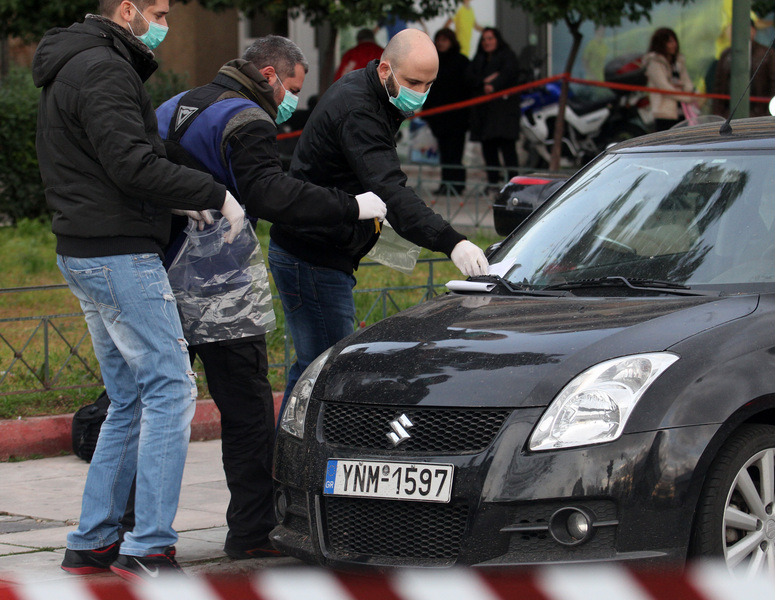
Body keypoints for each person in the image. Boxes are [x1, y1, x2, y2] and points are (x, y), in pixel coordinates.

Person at [31, 0, 245, 581]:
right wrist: (212, 192)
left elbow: (100, 164)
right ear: (126, 11)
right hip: (118, 253)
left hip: (86, 248)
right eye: (156, 10)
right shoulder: (103, 68)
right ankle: (149, 546)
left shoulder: (72, 63)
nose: (164, 22)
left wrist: (174, 197)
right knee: (170, 390)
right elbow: (130, 164)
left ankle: (93, 540)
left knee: (128, 397)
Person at [154, 36, 386, 560]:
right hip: (216, 279)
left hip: (155, 268)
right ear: (269, 75)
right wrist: (351, 205)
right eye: (292, 88)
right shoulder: (247, 118)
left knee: (148, 404)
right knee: (247, 409)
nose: (292, 102)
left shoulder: (179, 104)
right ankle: (253, 531)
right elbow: (272, 194)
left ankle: (124, 529)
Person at [273, 28, 489, 409]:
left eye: (428, 84)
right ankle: (295, 462)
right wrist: (451, 240)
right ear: (386, 69)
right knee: (325, 374)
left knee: (312, 369)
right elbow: (390, 189)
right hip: (312, 254)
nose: (420, 93)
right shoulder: (361, 108)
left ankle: (282, 461)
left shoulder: (375, 92)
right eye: (413, 82)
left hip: (315, 247)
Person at [466, 27, 520, 192]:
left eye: (490, 38)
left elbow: (509, 75)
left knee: (507, 151)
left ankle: (514, 186)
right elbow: (469, 77)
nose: (487, 42)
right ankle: (492, 184)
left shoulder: (507, 56)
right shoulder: (480, 58)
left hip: (504, 114)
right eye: (484, 39)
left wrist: (494, 84)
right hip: (485, 115)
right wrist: (485, 81)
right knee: (489, 151)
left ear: (497, 39)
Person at [422, 28, 471, 195]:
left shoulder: (462, 62)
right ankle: (446, 184)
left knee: (455, 153)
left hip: (457, 117)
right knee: (444, 153)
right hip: (439, 117)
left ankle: (456, 185)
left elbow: (467, 89)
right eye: (439, 39)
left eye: (445, 39)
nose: (441, 43)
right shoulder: (433, 62)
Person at [712, 20, 775, 118]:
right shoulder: (726, 55)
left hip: (760, 112)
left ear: (754, 31)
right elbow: (718, 85)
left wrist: (769, 113)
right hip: (729, 113)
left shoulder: (768, 54)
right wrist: (718, 113)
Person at [642, 28, 698, 132]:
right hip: (665, 114)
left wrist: (692, 92)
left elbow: (687, 82)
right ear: (661, 44)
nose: (674, 45)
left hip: (683, 112)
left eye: (674, 41)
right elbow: (664, 87)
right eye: (669, 42)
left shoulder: (678, 61)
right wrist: (687, 97)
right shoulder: (654, 63)